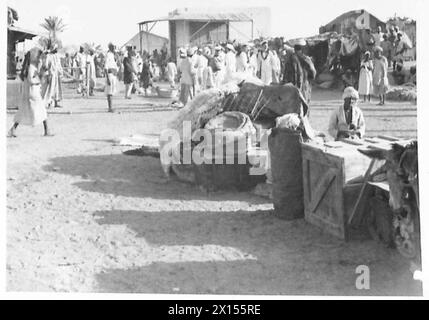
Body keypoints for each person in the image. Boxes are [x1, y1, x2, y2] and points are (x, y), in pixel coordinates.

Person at [8, 48, 53, 137]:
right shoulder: (32, 67)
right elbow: (31, 80)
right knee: (42, 110)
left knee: (23, 111)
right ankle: (47, 130)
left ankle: (13, 129)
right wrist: (39, 80)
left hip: (28, 92)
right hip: (33, 92)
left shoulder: (28, 67)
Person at [284, 39, 316, 103]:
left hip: (292, 87)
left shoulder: (290, 59)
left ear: (294, 48)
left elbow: (286, 75)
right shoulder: (307, 59)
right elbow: (313, 73)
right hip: (305, 85)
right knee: (305, 103)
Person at [104, 43, 118, 112]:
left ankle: (111, 107)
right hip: (109, 74)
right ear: (110, 47)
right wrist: (107, 78)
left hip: (114, 74)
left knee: (112, 91)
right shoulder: (108, 55)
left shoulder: (113, 55)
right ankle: (110, 108)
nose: (114, 48)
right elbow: (106, 67)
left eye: (114, 47)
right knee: (109, 91)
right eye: (112, 47)